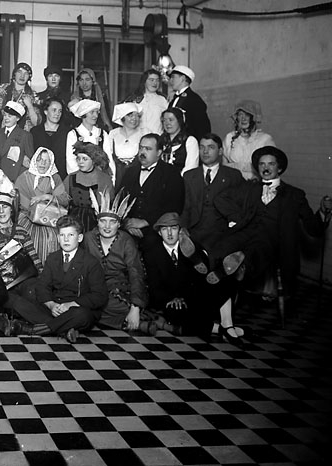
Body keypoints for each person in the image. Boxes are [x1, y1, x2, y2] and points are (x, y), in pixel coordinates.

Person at [208, 146, 332, 297]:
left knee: (256, 249)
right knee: (222, 245)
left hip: (274, 240)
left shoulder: (294, 195)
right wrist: (237, 218)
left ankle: (241, 267)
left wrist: (323, 212)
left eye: (271, 164)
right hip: (247, 232)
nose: (265, 168)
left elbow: (313, 228)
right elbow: (221, 198)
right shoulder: (249, 188)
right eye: (262, 164)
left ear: (279, 168)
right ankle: (214, 269)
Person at [142, 212, 247, 344]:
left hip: (191, 295)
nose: (169, 233)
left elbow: (198, 283)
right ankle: (225, 329)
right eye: (164, 229)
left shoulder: (192, 247)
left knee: (222, 283)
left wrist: (186, 296)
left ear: (180, 231)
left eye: (173, 228)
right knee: (177, 315)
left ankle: (226, 323)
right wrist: (171, 299)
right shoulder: (152, 254)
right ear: (159, 233)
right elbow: (154, 285)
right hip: (170, 301)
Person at [10, 216, 107, 342]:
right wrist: (51, 305)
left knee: (83, 315)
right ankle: (64, 329)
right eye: (62, 235)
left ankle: (35, 329)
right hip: (56, 307)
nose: (66, 239)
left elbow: (99, 296)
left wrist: (71, 305)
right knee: (18, 299)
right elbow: (42, 286)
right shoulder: (53, 258)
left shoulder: (90, 262)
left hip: (75, 308)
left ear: (79, 238)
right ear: (58, 238)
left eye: (71, 235)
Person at [81, 192, 156, 335]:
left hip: (120, 290)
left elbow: (136, 273)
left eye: (112, 222)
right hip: (94, 289)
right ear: (97, 222)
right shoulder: (88, 238)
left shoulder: (126, 240)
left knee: (105, 305)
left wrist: (135, 307)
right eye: (103, 221)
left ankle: (135, 315)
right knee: (88, 303)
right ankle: (138, 323)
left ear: (119, 224)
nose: (107, 226)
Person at [120, 134, 185, 245]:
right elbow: (120, 200)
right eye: (141, 148)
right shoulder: (130, 172)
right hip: (128, 229)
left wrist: (146, 222)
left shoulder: (171, 173)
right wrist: (127, 223)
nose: (142, 152)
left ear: (159, 152)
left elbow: (175, 206)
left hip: (157, 231)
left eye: (148, 149)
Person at [182, 134, 244, 249]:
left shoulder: (233, 176)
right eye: (202, 147)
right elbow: (185, 207)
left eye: (211, 147)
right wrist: (183, 230)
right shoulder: (189, 176)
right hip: (194, 234)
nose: (205, 151)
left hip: (223, 235)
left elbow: (240, 208)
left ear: (220, 151)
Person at [0, 192, 43, 292]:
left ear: (11, 209)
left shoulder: (21, 231)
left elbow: (33, 255)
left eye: (5, 207)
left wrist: (42, 276)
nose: (1, 211)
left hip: (23, 279)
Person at [14, 147, 69, 264]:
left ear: (51, 163)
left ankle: (48, 268)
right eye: (40, 160)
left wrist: (47, 197)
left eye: (46, 161)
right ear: (34, 161)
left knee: (52, 237)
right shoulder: (25, 177)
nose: (43, 163)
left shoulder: (55, 178)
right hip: (27, 215)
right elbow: (19, 201)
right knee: (26, 236)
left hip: (50, 217)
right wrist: (35, 209)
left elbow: (64, 200)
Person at [63, 141, 115, 233]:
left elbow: (108, 207)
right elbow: (62, 199)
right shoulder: (71, 178)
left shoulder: (104, 179)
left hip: (96, 224)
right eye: (78, 158)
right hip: (73, 222)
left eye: (84, 159)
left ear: (94, 160)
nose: (80, 162)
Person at [223, 100, 276, 180]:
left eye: (247, 115)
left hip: (256, 183)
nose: (243, 118)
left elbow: (269, 168)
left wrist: (236, 166)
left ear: (254, 117)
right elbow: (224, 168)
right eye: (240, 115)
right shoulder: (229, 137)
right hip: (232, 182)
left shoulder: (265, 139)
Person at [65, 98, 115, 179]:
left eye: (97, 112)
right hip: (81, 180)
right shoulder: (73, 134)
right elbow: (71, 161)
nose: (96, 116)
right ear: (84, 114)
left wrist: (111, 179)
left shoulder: (102, 134)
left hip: (101, 178)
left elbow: (109, 158)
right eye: (92, 112)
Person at [109, 101, 149, 191]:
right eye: (130, 115)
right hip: (117, 176)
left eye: (137, 116)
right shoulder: (113, 134)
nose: (134, 118)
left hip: (137, 175)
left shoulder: (143, 133)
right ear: (123, 117)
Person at [0, 101, 35, 182]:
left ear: (18, 118)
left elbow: (30, 161)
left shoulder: (25, 135)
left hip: (14, 178)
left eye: (10, 116)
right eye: (5, 115)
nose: (6, 118)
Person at [166, 65, 211, 141]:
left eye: (173, 77)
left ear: (183, 78)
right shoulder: (174, 99)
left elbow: (202, 128)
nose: (171, 81)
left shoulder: (194, 100)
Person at [31, 97, 72, 181]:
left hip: (62, 178)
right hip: (40, 178)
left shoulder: (68, 132)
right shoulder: (35, 132)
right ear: (45, 111)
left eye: (60, 111)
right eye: (54, 110)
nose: (57, 114)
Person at [0, 62, 40, 129]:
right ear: (14, 74)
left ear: (29, 77)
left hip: (23, 132)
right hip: (2, 130)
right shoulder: (4, 88)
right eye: (19, 72)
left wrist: (29, 105)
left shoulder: (33, 95)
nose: (22, 76)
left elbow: (36, 123)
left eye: (26, 74)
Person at [159, 107, 199, 175]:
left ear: (179, 121)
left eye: (171, 120)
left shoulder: (190, 141)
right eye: (164, 120)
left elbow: (191, 167)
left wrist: (177, 179)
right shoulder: (160, 139)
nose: (167, 123)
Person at [126, 68, 167, 134]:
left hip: (156, 136)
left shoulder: (162, 100)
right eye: (151, 80)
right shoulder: (134, 98)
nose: (155, 83)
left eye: (157, 80)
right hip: (137, 135)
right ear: (144, 81)